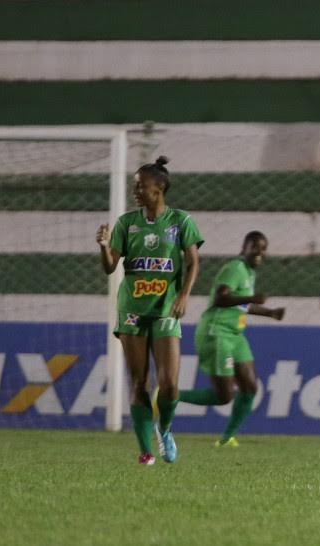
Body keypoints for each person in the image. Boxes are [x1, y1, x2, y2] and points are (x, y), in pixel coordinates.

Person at [97, 156, 203, 466]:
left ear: (159, 189)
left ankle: (165, 428)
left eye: (141, 186)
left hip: (166, 309)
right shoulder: (127, 223)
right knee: (140, 381)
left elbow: (194, 261)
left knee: (169, 385)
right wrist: (104, 246)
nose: (136, 191)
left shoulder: (180, 221)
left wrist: (183, 295)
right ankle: (145, 451)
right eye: (134, 187)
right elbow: (109, 267)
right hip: (132, 309)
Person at [179, 231, 285, 447]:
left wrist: (270, 313)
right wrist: (251, 297)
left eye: (263, 249)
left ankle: (227, 438)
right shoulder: (235, 268)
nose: (259, 252)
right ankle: (170, 396)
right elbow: (221, 297)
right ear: (244, 247)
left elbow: (241, 304)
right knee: (224, 396)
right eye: (255, 247)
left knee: (250, 388)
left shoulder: (249, 272)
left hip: (235, 335)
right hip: (216, 332)